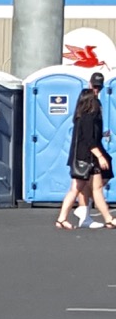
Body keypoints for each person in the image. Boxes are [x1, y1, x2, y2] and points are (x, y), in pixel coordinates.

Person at [56, 79, 115, 229]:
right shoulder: (88, 117)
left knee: (87, 188)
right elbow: (89, 140)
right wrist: (100, 156)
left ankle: (69, 217)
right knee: (81, 188)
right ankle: (104, 218)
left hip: (86, 157)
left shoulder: (80, 116)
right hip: (86, 158)